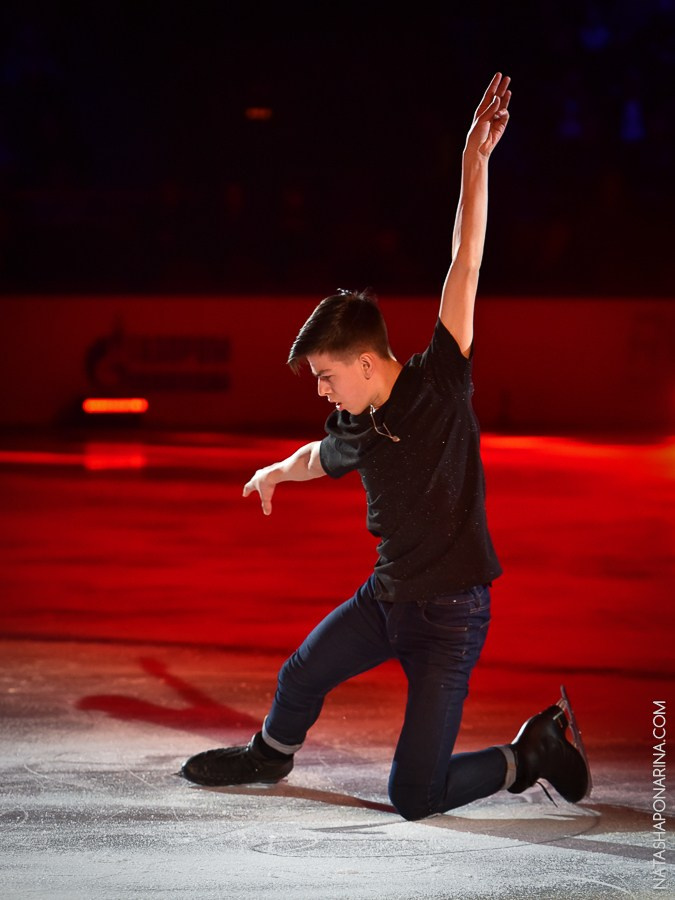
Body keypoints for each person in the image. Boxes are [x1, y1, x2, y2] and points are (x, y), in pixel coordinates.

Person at [180, 72, 591, 820]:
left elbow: (463, 257)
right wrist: (277, 469)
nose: (321, 391)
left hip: (451, 617)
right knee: (301, 671)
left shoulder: (442, 379)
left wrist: (474, 157)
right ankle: (269, 756)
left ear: (368, 361)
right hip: (386, 600)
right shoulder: (354, 425)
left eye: (327, 376)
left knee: (414, 797)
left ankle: (533, 752)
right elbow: (318, 455)